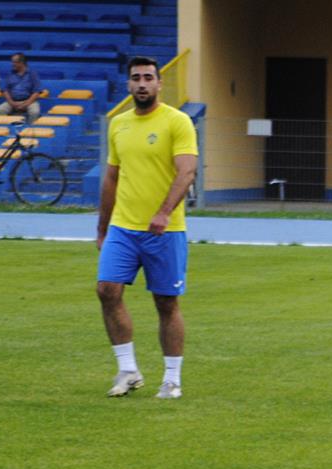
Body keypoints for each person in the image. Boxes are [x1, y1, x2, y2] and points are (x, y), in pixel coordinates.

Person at [95, 56, 198, 400]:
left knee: (166, 303)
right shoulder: (118, 124)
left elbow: (186, 172)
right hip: (123, 228)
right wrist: (102, 228)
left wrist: (165, 212)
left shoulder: (177, 122)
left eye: (148, 78)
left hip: (164, 231)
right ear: (128, 84)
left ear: (158, 83)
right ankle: (128, 370)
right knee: (107, 291)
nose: (142, 83)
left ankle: (172, 378)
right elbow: (111, 177)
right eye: (136, 78)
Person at [0, 52, 45, 122]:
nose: (12, 64)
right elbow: (4, 90)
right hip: (13, 101)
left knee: (34, 112)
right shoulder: (10, 74)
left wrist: (26, 103)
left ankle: (30, 130)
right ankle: (7, 129)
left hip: (29, 101)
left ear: (22, 63)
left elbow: (37, 91)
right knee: (1, 109)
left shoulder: (32, 74)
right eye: (12, 62)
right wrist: (11, 102)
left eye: (15, 62)